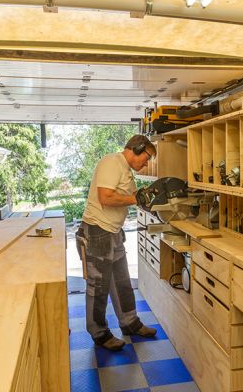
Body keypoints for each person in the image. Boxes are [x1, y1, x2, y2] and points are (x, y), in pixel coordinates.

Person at [77, 134, 157, 351]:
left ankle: (130, 323)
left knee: (122, 282)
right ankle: (99, 333)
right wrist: (136, 199)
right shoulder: (112, 162)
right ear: (137, 149)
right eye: (147, 157)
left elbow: (131, 197)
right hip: (97, 233)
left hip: (112, 232)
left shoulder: (126, 170)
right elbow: (105, 197)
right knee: (98, 286)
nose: (147, 162)